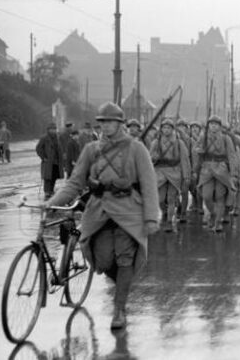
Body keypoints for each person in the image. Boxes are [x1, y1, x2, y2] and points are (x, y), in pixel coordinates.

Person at [46, 102, 160, 330]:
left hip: (129, 210)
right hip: (99, 210)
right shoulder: (91, 150)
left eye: (110, 122)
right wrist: (52, 202)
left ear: (120, 124)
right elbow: (75, 182)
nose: (106, 126)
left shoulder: (136, 149)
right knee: (104, 260)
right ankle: (122, 288)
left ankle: (119, 310)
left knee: (125, 258)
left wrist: (150, 218)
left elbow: (149, 185)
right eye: (103, 122)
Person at [194, 116, 238, 231]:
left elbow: (232, 155)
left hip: (221, 169)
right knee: (206, 195)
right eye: (211, 124)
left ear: (220, 126)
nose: (213, 126)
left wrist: (233, 173)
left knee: (220, 195)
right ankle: (213, 213)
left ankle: (218, 222)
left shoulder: (225, 138)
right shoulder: (203, 137)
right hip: (207, 169)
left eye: (216, 124)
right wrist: (200, 150)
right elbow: (196, 149)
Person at [150, 118, 191, 232]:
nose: (166, 130)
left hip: (174, 172)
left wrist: (186, 176)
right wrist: (154, 157)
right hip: (160, 172)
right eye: (164, 127)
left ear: (173, 129)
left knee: (171, 198)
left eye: (169, 128)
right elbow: (149, 158)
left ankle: (169, 221)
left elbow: (184, 159)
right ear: (161, 129)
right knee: (161, 199)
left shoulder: (179, 143)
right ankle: (164, 213)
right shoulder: (156, 142)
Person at [36, 123, 62, 199]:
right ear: (48, 130)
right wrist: (43, 157)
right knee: (47, 178)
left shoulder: (57, 138)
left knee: (54, 176)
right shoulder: (44, 138)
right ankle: (47, 192)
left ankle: (51, 190)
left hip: (56, 161)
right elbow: (38, 149)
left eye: (55, 129)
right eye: (52, 129)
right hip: (48, 162)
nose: (54, 130)